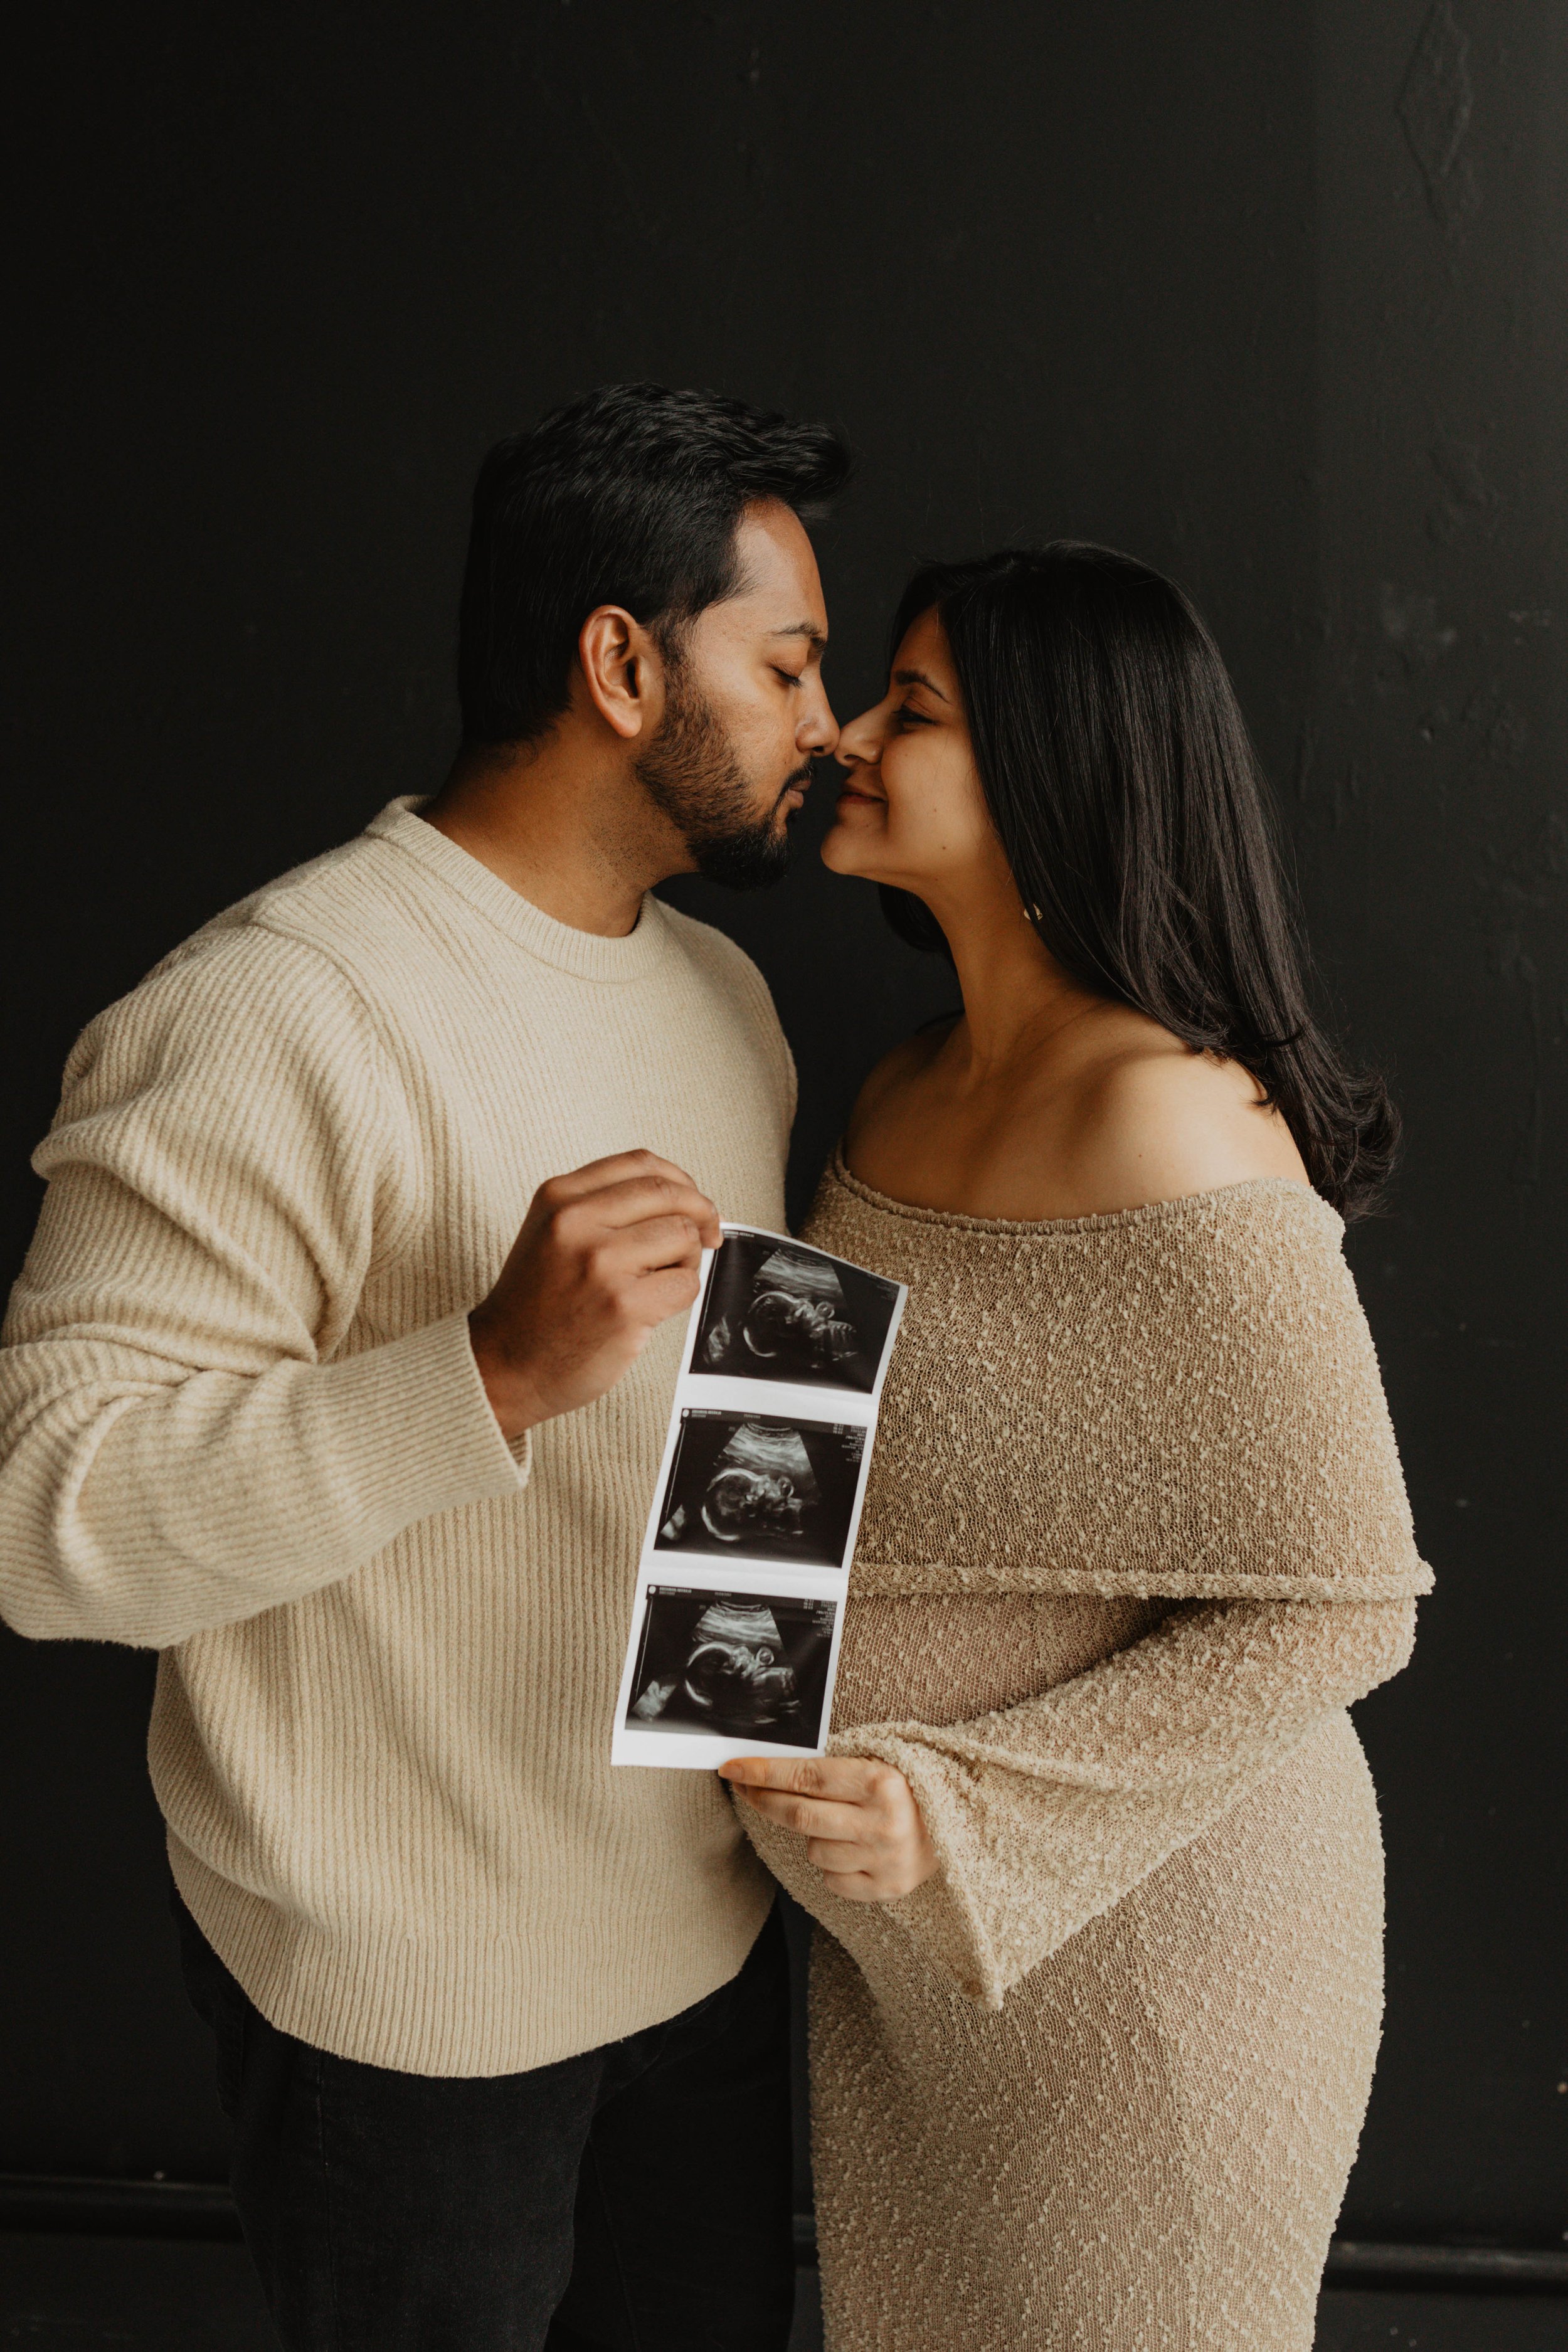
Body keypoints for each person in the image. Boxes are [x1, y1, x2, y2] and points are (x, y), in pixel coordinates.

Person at [0, 383, 847, 2351]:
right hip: (406, 2015)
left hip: (707, 1950)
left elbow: (718, 1439)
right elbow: (40, 1518)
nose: (829, 725)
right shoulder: (273, 1010)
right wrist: (480, 1374)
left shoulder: (720, 992)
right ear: (622, 663)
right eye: (789, 662)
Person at [721, 544, 1433, 2352]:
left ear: (1058, 766)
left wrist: (957, 1814)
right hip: (912, 1965)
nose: (854, 734)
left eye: (919, 708)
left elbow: (1348, 1609)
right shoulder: (895, 1085)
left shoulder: (1171, 1123)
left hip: (1151, 1960)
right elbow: (796, 1470)